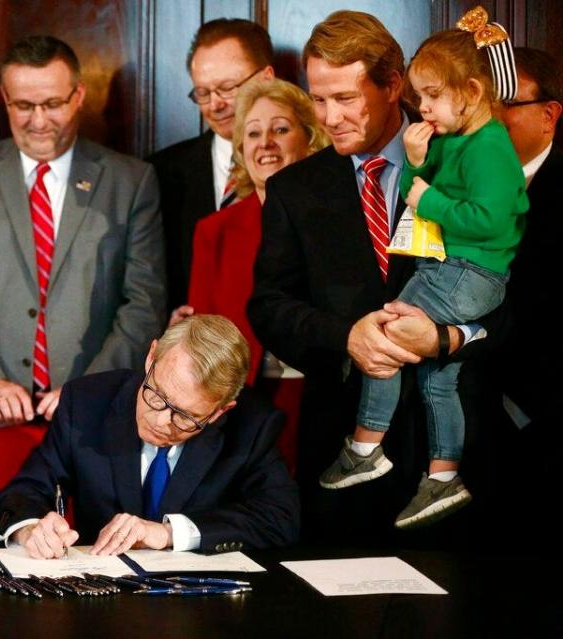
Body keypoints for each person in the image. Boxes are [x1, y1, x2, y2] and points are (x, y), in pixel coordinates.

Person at [248, 11, 507, 546]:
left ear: (393, 85)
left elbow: (514, 292)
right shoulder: (295, 190)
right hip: (344, 452)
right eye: (319, 100)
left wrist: (447, 338)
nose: (329, 117)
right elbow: (269, 306)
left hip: (457, 454)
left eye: (346, 98)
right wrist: (346, 337)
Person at [319, 11, 527, 529]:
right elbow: (427, 186)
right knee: (438, 381)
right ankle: (443, 476)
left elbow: (486, 219)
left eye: (430, 94)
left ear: (472, 92)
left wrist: (428, 197)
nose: (423, 107)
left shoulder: (493, 148)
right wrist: (416, 161)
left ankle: (367, 445)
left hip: (469, 273)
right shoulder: (454, 139)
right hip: (457, 269)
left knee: (390, 330)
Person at [0, 35, 166, 445]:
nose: (38, 121)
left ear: (79, 96)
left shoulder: (131, 181)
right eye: (23, 106)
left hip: (96, 420)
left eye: (53, 104)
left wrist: (88, 390)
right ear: (4, 97)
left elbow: (145, 301)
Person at [0, 314, 299, 558]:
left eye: (187, 417)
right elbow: (27, 489)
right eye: (157, 396)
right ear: (152, 357)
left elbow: (280, 518)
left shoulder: (252, 425)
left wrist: (167, 533)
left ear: (220, 411)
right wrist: (30, 529)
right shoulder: (86, 402)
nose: (163, 422)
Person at [184, 79, 329, 475]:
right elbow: (202, 337)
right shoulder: (214, 230)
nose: (265, 143)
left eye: (280, 129)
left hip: (322, 397)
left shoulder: (337, 219)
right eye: (252, 133)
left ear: (310, 138)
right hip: (242, 406)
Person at [149, 18, 274, 313]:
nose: (214, 104)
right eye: (202, 93)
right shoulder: (159, 173)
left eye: (228, 88)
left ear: (267, 78)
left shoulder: (310, 164)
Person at [496, 47, 563, 547]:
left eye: (507, 104)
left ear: (549, 113)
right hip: (475, 420)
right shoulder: (457, 182)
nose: (492, 120)